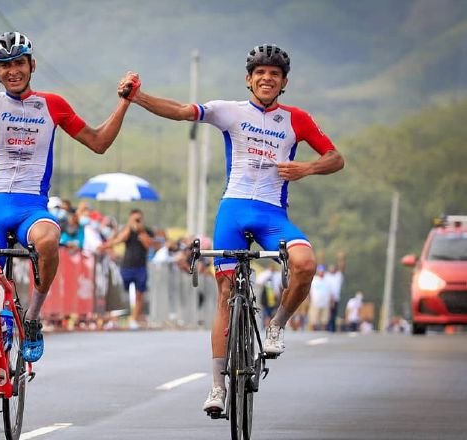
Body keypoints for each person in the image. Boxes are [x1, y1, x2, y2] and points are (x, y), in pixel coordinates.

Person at [119, 44, 344, 413]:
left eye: (274, 74)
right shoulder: (230, 112)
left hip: (273, 215)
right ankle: (217, 387)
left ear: (284, 82)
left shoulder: (297, 119)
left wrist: (306, 168)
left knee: (305, 264)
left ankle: (276, 325)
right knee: (226, 293)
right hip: (233, 212)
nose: (267, 78)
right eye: (261, 73)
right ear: (249, 79)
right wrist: (138, 96)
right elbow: (179, 111)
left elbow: (336, 158)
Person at [0, 9, 133, 426]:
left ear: (31, 65)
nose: (13, 71)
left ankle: (31, 319)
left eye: (19, 63)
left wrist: (123, 103)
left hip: (31, 205)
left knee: (48, 239)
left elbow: (98, 143)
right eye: (5, 65)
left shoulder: (53, 106)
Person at [100, 209, 154, 329]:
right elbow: (118, 240)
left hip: (141, 267)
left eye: (139, 219)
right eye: (134, 219)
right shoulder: (126, 230)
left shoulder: (146, 231)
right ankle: (115, 319)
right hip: (127, 266)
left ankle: (134, 319)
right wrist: (129, 229)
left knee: (139, 294)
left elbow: (149, 245)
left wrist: (141, 232)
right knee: (121, 294)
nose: (137, 221)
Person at [308, 265, 333, 331]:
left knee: (324, 320)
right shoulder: (314, 280)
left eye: (322, 271)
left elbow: (330, 293)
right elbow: (310, 291)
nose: (321, 273)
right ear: (318, 272)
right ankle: (313, 332)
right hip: (315, 302)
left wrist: (330, 302)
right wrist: (309, 300)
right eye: (320, 271)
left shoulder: (328, 281)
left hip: (325, 303)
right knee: (313, 320)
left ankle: (323, 332)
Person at [325, 251, 345, 332]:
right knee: (328, 314)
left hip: (336, 298)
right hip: (327, 299)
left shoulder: (338, 276)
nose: (332, 269)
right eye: (330, 268)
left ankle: (332, 329)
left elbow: (342, 268)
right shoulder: (327, 276)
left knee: (334, 314)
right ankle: (327, 328)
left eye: (333, 267)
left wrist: (341, 259)